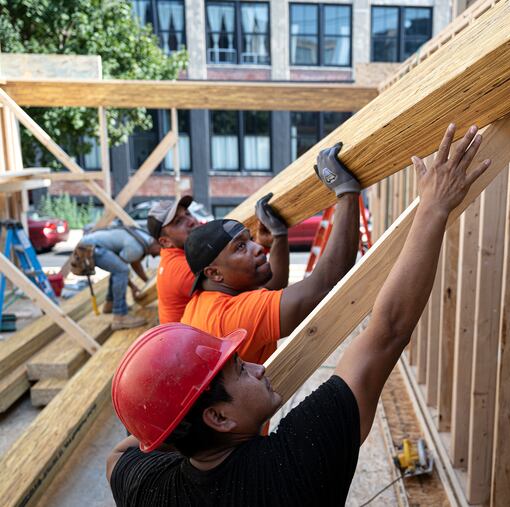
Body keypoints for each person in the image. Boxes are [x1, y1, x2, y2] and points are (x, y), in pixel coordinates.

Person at [107, 123, 490, 505]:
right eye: (240, 369)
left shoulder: (150, 490)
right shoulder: (293, 465)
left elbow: (115, 459)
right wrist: (433, 206)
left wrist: (169, 429)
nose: (260, 367)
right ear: (218, 419)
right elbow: (385, 330)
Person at [179, 143, 360, 364]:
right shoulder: (231, 316)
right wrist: (345, 192)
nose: (257, 247)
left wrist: (279, 236)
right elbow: (323, 286)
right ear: (214, 273)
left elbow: (273, 284)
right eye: (240, 247)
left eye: (250, 240)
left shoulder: (201, 303)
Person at [148, 195, 290, 324]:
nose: (191, 221)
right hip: (185, 345)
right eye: (178, 222)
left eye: (187, 213)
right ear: (165, 242)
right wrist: (279, 235)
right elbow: (269, 286)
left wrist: (260, 245)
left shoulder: (175, 257)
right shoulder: (181, 269)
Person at [78, 225, 161, 329]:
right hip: (90, 247)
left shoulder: (145, 238)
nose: (157, 256)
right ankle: (120, 316)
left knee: (117, 269)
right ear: (158, 243)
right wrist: (133, 286)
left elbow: (134, 263)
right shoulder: (137, 247)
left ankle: (110, 304)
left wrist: (147, 282)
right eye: (159, 251)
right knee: (121, 270)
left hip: (89, 243)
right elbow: (123, 270)